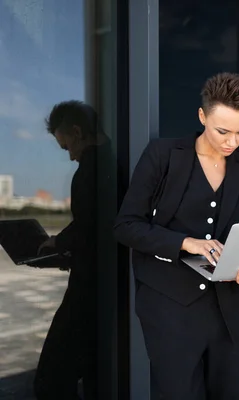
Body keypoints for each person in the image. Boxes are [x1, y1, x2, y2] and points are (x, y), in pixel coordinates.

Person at [113, 72, 239, 400]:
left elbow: (236, 240)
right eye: (222, 131)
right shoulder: (162, 156)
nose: (232, 142)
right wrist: (185, 242)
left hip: (227, 313)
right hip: (169, 309)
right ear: (202, 117)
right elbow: (126, 226)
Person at [34, 100, 113, 399]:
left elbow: (88, 225)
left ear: (78, 132)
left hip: (88, 289)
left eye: (67, 146)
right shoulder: (116, 160)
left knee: (51, 378)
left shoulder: (89, 169)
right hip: (106, 289)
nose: (70, 156)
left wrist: (59, 243)